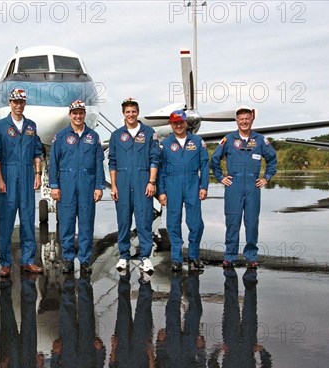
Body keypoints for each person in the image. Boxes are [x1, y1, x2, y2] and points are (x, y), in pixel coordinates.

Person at [211, 106, 277, 268]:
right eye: (241, 119)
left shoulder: (260, 140)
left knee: (252, 222)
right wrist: (221, 177)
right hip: (234, 186)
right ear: (237, 121)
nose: (244, 121)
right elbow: (214, 159)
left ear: (252, 119)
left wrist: (266, 178)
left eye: (247, 118)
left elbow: (272, 160)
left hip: (253, 186)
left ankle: (251, 256)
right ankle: (230, 256)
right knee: (232, 222)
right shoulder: (229, 139)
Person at [0, 88, 44, 278]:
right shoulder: (0, 126)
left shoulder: (31, 126)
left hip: (27, 175)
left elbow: (37, 153)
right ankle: (5, 263)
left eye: (21, 102)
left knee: (28, 219)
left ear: (25, 103)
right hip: (8, 174)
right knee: (6, 221)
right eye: (15, 102)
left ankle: (28, 260)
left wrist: (37, 174)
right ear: (10, 103)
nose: (18, 105)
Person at [48, 100, 105, 275]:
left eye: (81, 113)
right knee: (66, 223)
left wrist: (99, 186)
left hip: (87, 183)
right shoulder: (61, 136)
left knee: (86, 223)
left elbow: (98, 163)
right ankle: (67, 259)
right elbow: (53, 163)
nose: (78, 116)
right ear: (70, 115)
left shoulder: (93, 137)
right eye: (75, 113)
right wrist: (54, 185)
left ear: (84, 114)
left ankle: (85, 260)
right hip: (66, 183)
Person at [108, 98, 160, 277]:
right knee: (123, 220)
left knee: (144, 219)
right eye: (127, 112)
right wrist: (113, 186)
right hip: (122, 182)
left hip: (142, 180)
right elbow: (112, 162)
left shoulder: (149, 132)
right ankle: (124, 255)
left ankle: (145, 256)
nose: (131, 115)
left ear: (138, 112)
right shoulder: (116, 135)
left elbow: (155, 158)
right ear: (123, 114)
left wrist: (151, 182)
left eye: (133, 111)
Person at [158, 110, 209, 272]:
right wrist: (161, 191)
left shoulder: (197, 141)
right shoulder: (166, 144)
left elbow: (205, 165)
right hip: (172, 184)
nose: (178, 125)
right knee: (173, 222)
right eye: (175, 123)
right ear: (170, 124)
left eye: (181, 122)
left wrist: (204, 186)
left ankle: (194, 256)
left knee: (196, 223)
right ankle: (177, 258)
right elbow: (161, 170)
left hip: (193, 183)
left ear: (186, 123)